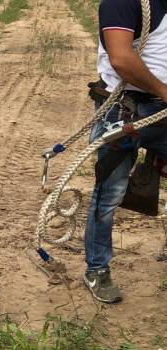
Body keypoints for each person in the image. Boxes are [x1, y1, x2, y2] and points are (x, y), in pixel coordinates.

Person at [81, 0, 167, 303]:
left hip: (161, 107)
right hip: (123, 109)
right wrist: (165, 91)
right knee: (109, 193)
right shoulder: (125, 2)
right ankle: (97, 269)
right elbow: (121, 58)